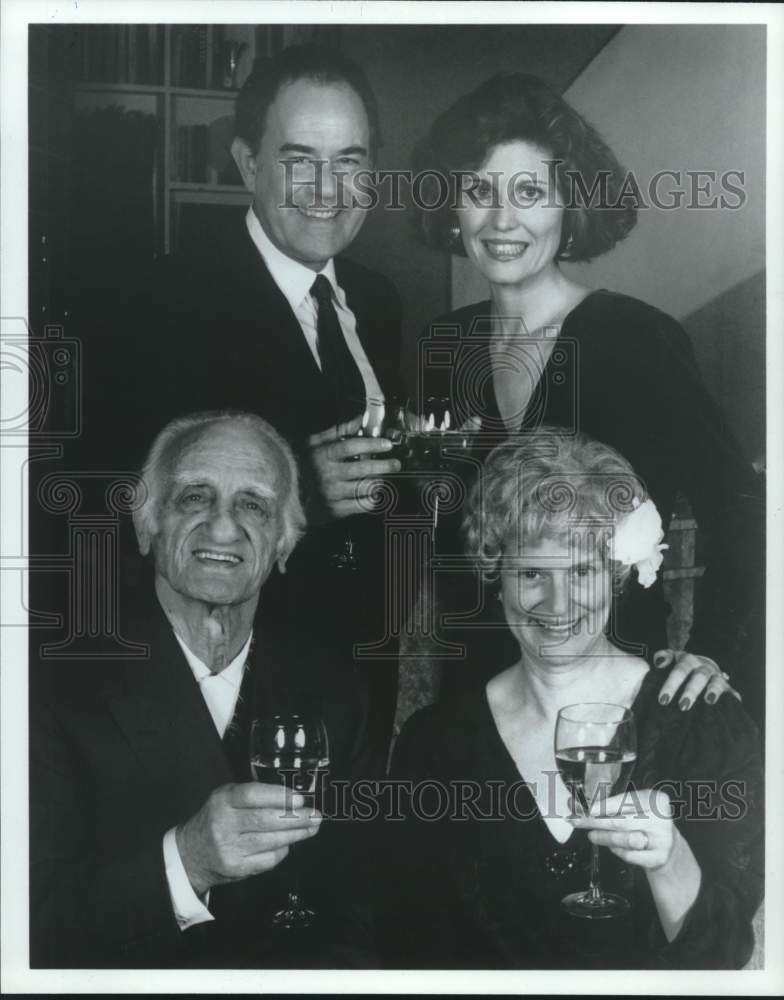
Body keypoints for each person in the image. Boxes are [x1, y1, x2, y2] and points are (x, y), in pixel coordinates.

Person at [76, 44, 404, 758]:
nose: (328, 188)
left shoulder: (379, 303)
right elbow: (109, 508)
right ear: (248, 163)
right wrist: (296, 494)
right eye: (299, 159)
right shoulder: (159, 303)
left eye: (350, 160)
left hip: (358, 686)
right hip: (222, 694)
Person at [409, 73, 764, 720]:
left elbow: (741, 509)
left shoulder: (638, 341)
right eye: (478, 191)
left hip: (616, 703)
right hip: (479, 704)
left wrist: (711, 651)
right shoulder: (445, 346)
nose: (500, 220)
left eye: (528, 192)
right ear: (450, 209)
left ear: (569, 206)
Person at [386, 430, 763, 969]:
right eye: (533, 572)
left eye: (582, 571)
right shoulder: (435, 744)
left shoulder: (702, 720)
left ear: (618, 577)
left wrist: (670, 859)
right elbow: (409, 948)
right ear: (496, 576)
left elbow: (724, 958)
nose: (557, 603)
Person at [29, 411, 378, 968]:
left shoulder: (336, 688)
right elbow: (29, 929)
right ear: (147, 526)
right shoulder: (46, 688)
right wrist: (186, 862)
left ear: (285, 543)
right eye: (195, 497)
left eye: (254, 505)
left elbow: (359, 907)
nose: (222, 528)